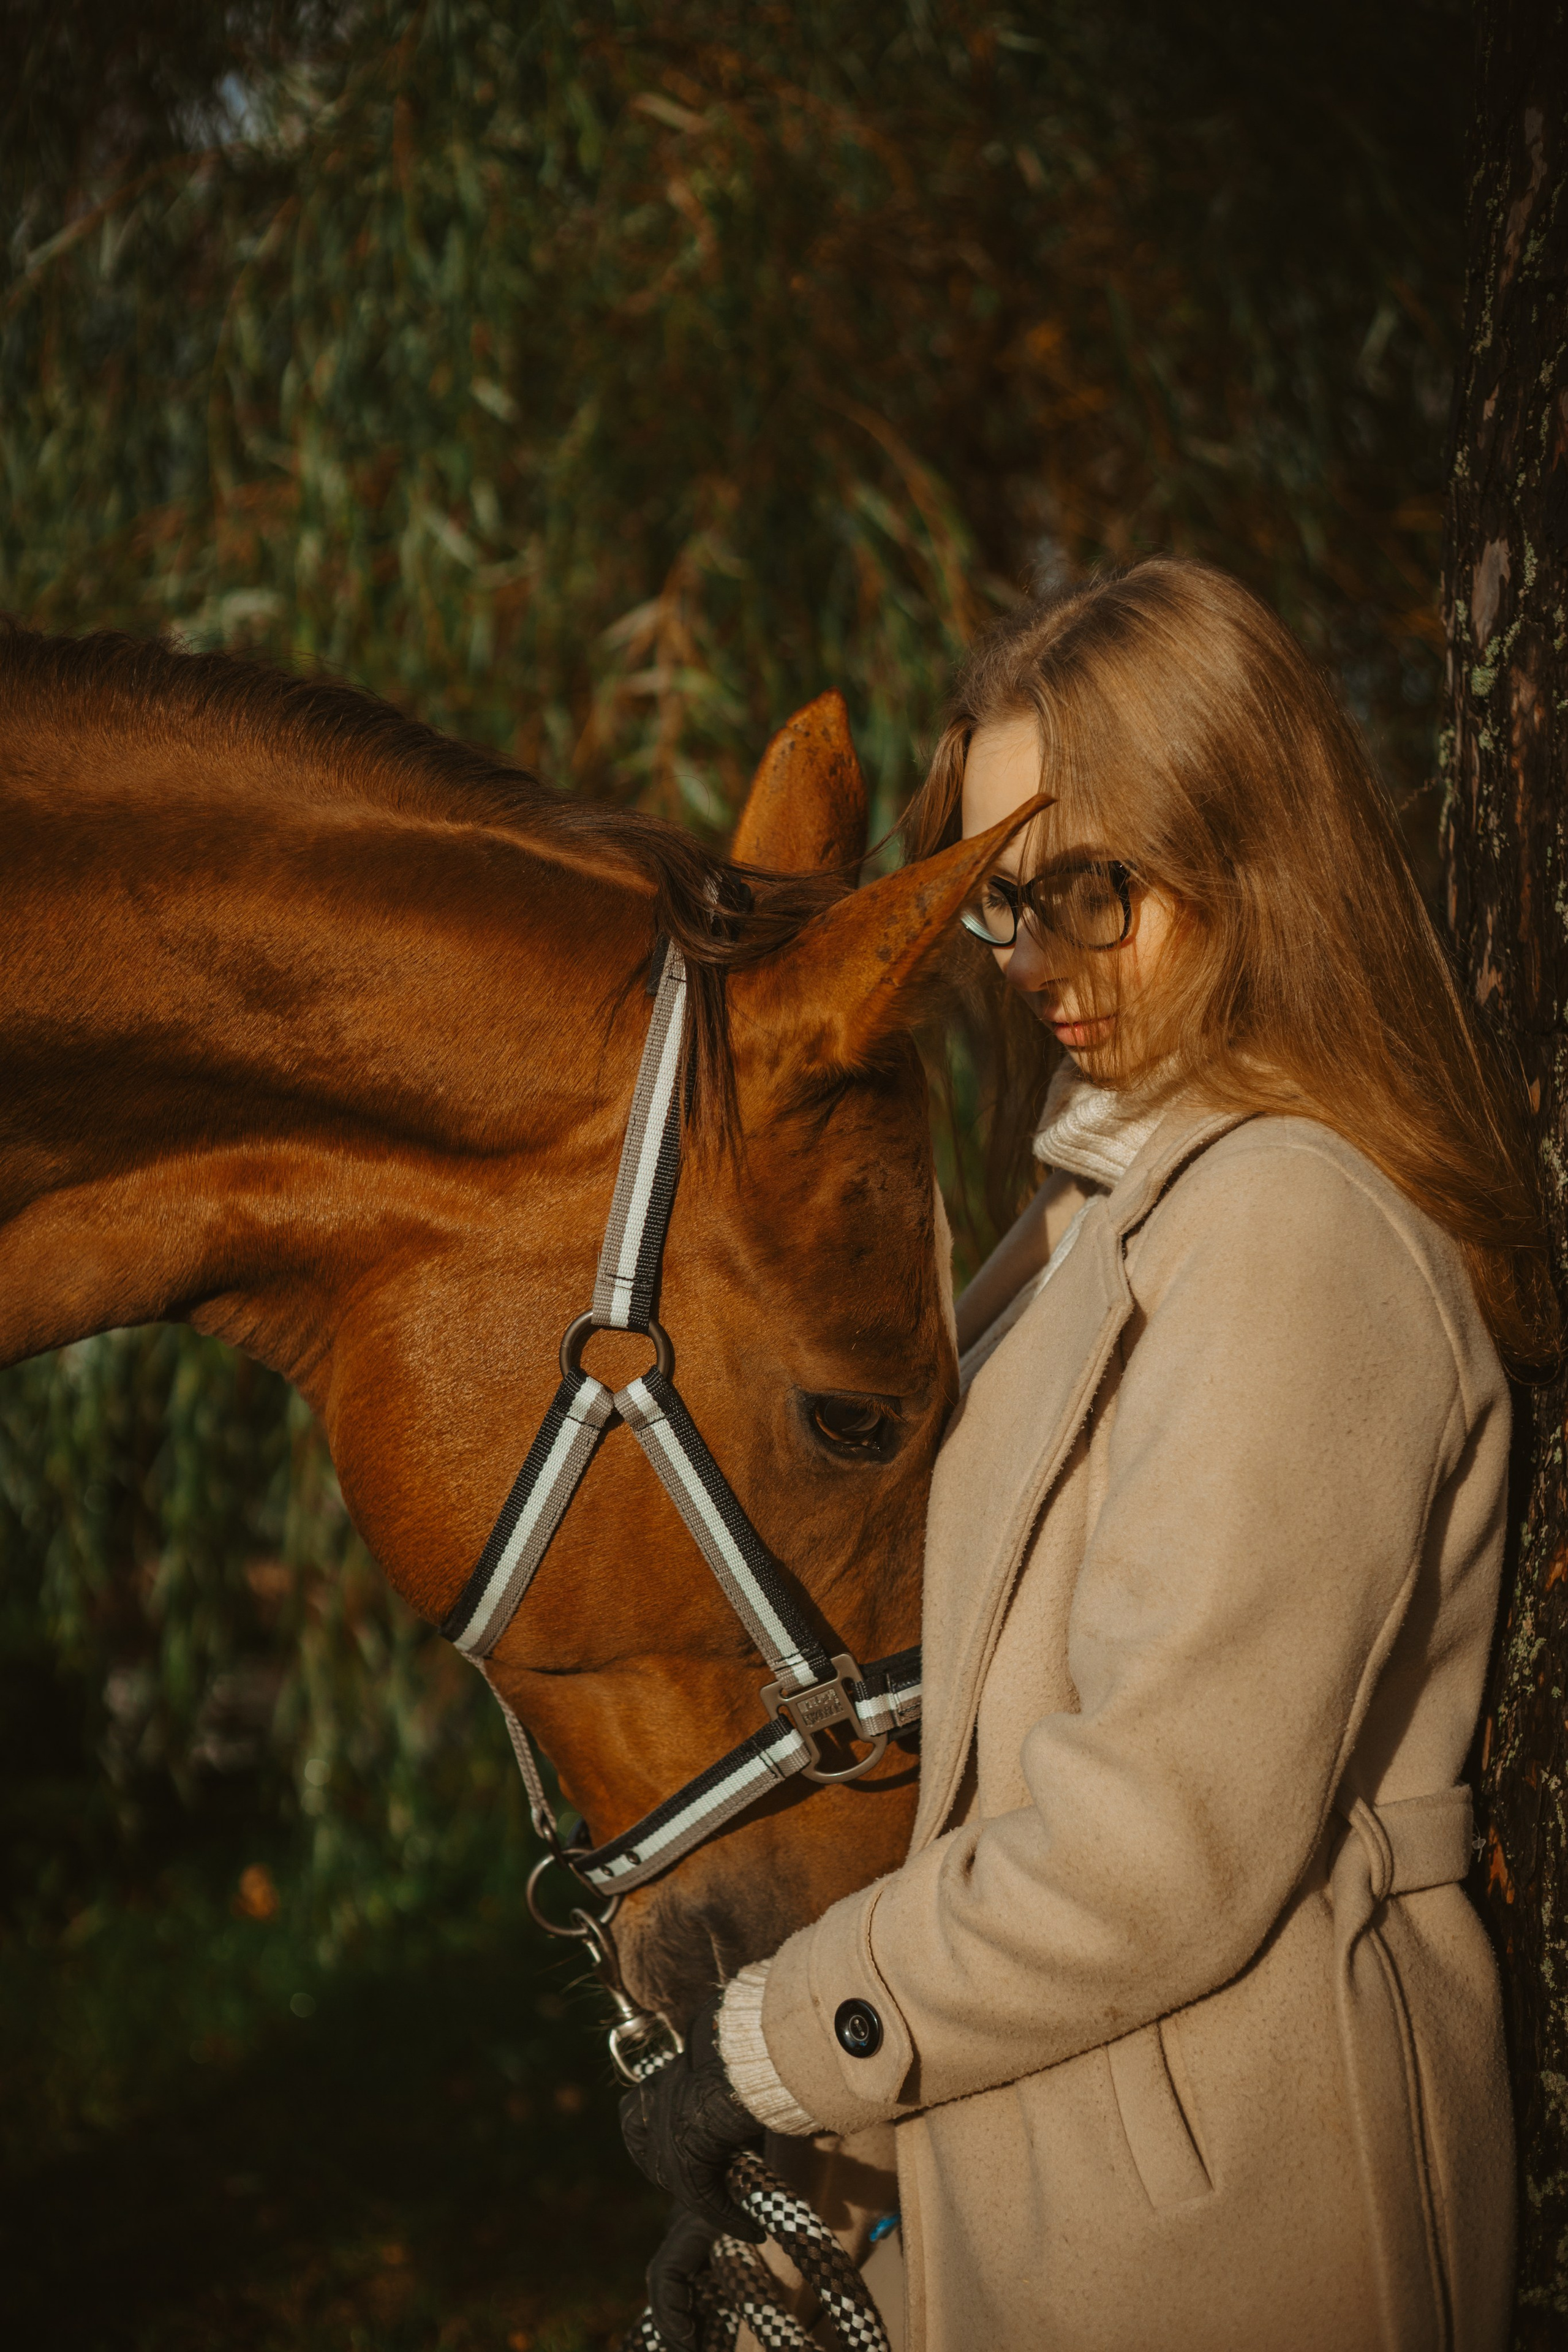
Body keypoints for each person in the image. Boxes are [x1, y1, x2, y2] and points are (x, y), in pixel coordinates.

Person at [621, 559, 1554, 2351]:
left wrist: (778, 2050)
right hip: (1071, 2161)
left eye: (1089, 891)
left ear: (1249, 852)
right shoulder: (1105, 1200)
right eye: (1001, 901)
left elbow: (1151, 1842)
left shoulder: (1291, 1231)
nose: (1036, 961)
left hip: (1230, 2221)